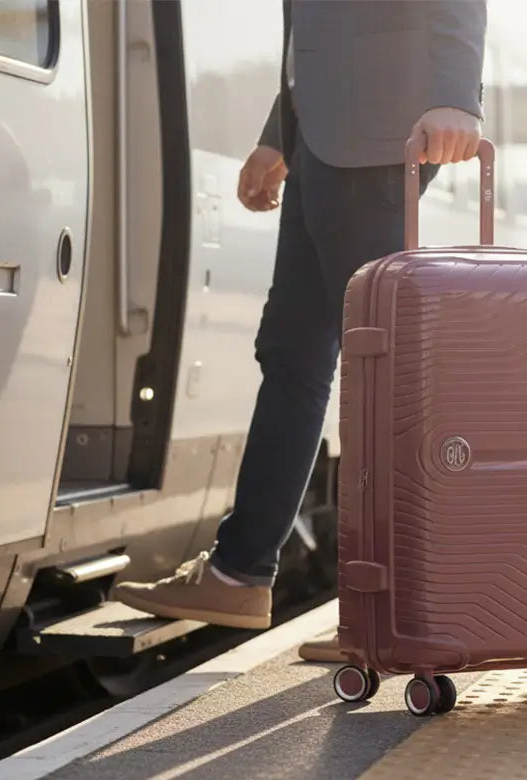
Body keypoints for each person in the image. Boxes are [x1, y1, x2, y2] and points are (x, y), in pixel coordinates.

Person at [114, 1, 487, 662]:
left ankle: (412, 602)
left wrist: (457, 96)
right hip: (323, 137)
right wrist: (281, 132)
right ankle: (239, 571)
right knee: (292, 351)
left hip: (375, 136)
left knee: (382, 360)